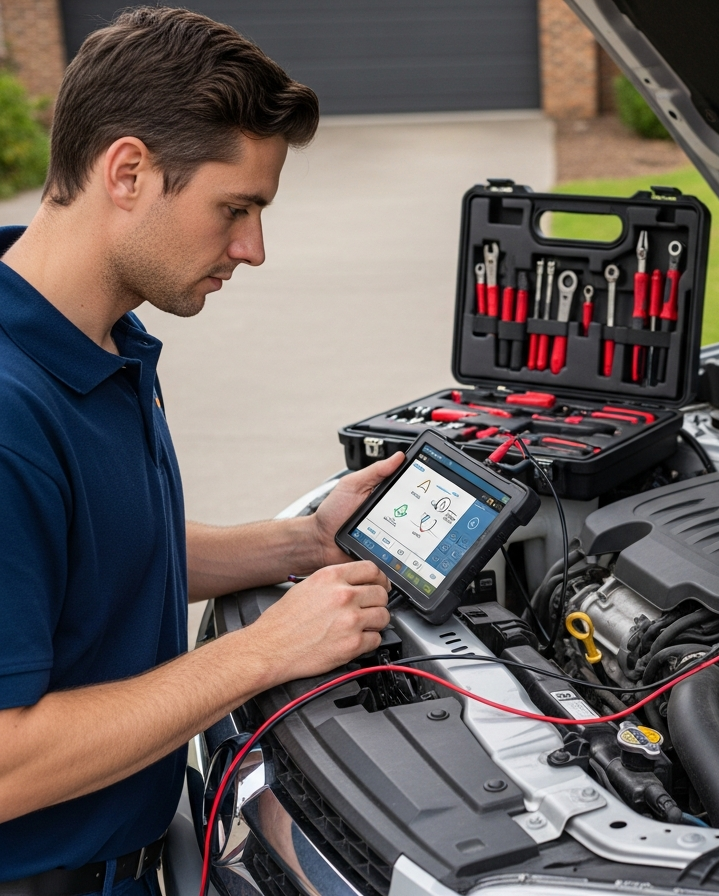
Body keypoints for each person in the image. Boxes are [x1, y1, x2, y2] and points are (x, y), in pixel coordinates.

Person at [0, 8, 404, 893]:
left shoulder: (96, 335)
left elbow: (85, 554)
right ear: (130, 171)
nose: (252, 249)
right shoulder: (7, 413)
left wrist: (299, 544)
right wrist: (262, 652)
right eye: (236, 208)